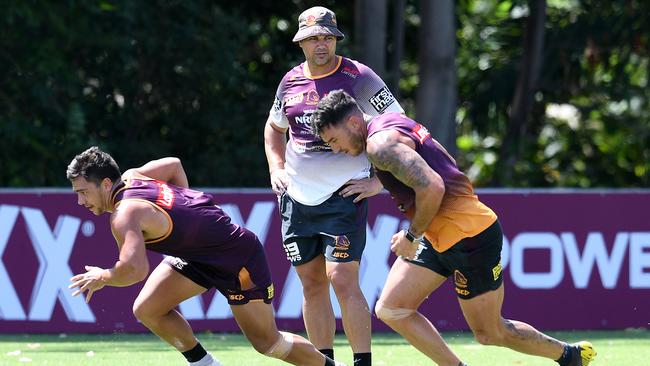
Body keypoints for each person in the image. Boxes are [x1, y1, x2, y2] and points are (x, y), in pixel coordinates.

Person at [310, 90, 598, 366]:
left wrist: (413, 235)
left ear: (352, 121)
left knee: (490, 333)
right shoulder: (390, 122)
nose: (337, 149)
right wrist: (421, 226)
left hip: (470, 237)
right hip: (438, 236)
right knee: (392, 309)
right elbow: (442, 163)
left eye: (335, 140)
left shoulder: (379, 145)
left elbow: (433, 185)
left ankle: (568, 356)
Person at [66, 146, 344, 366]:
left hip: (237, 260)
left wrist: (103, 276)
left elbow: (134, 270)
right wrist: (189, 216)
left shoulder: (123, 215)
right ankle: (204, 363)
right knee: (147, 309)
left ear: (105, 184)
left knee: (268, 343)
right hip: (197, 257)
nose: (80, 201)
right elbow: (174, 164)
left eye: (83, 192)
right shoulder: (133, 176)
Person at [263, 6, 404, 366]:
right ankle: (323, 362)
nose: (320, 45)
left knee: (342, 278)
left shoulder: (359, 76)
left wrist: (378, 181)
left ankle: (362, 362)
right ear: (301, 43)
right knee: (310, 285)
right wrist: (276, 167)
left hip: (345, 194)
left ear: (335, 38)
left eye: (326, 37)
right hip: (296, 199)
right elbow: (274, 128)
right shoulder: (290, 81)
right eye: (312, 39)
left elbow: (397, 126)